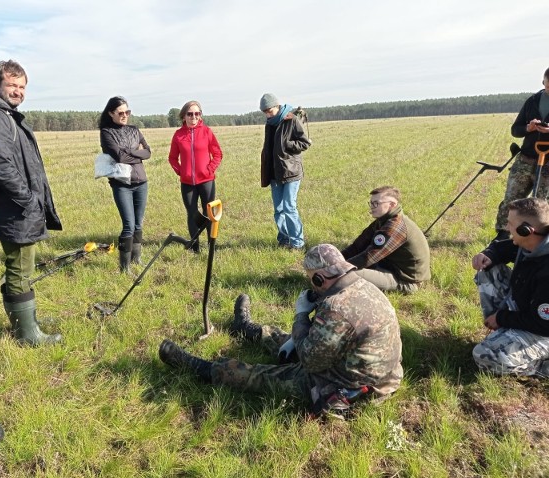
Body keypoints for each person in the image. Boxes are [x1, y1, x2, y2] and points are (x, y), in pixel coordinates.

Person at [158, 244, 403, 416]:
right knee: (290, 340)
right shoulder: (364, 286)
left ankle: (202, 367)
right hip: (375, 373)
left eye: (311, 280)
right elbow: (328, 339)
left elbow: (309, 360)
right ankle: (246, 329)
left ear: (319, 279)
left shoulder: (336, 308)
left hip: (347, 386)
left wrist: (300, 314)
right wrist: (300, 334)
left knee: (261, 376)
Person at [0, 60, 62, 346]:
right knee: (20, 267)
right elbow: (0, 165)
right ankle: (27, 335)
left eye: (22, 86)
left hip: (14, 206)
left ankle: (25, 321)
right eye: (12, 85)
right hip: (14, 208)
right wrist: (28, 199)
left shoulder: (2, 114)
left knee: (20, 267)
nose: (17, 91)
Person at [471, 197, 549, 376]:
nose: (507, 228)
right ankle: (504, 333)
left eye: (510, 224)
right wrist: (488, 254)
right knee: (488, 268)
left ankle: (541, 367)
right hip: (529, 309)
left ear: (526, 230)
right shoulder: (533, 241)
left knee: (484, 355)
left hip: (544, 328)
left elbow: (543, 324)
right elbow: (502, 249)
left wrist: (502, 317)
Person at [341, 186, 431, 294]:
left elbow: (369, 257)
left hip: (405, 281)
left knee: (346, 275)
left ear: (392, 204)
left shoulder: (396, 226)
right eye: (371, 203)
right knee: (344, 268)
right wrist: (337, 258)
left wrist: (337, 268)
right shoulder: (383, 220)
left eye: (376, 203)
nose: (372, 207)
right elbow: (357, 246)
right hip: (388, 266)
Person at [494, 67, 549, 241]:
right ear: (543, 82)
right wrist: (528, 128)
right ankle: (502, 237)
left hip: (548, 164)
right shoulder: (532, 101)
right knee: (511, 199)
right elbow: (515, 130)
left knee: (540, 205)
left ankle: (537, 239)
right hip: (525, 159)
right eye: (548, 85)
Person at [99, 96, 152, 272]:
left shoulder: (134, 129)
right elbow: (119, 157)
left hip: (141, 182)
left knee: (138, 224)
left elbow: (148, 152)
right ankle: (124, 267)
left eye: (127, 112)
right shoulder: (106, 132)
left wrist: (129, 151)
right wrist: (135, 152)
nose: (124, 115)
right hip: (121, 185)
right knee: (128, 225)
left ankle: (136, 259)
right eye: (120, 113)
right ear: (111, 113)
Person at [168, 100, 222, 253]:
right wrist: (181, 171)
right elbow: (172, 158)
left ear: (200, 115)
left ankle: (212, 245)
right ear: (184, 116)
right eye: (190, 114)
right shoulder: (178, 135)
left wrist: (209, 170)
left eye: (197, 113)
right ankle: (194, 247)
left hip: (206, 181)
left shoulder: (207, 132)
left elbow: (217, 154)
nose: (194, 117)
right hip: (187, 183)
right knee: (192, 214)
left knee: (209, 213)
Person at [259, 93, 312, 250]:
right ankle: (284, 239)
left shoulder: (292, 119)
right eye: (265, 112)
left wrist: (287, 145)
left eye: (269, 110)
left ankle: (297, 243)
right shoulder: (269, 123)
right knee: (278, 210)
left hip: (291, 172)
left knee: (289, 207)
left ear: (277, 106)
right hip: (275, 173)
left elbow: (304, 143)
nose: (268, 114)